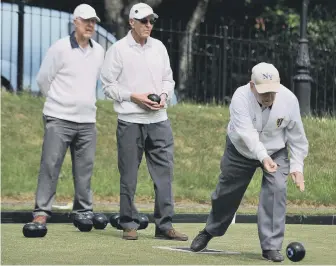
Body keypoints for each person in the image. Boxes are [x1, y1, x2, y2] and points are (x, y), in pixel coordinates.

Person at [190, 62, 309, 262]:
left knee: (277, 188)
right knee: (226, 194)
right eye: (263, 91)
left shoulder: (289, 100)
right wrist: (263, 157)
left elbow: (297, 137)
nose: (269, 97)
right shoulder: (240, 97)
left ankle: (271, 246)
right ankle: (210, 230)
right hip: (241, 150)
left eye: (272, 92)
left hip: (276, 150)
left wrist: (297, 167)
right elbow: (248, 134)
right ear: (251, 85)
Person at [100, 2, 188, 241]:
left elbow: (168, 80)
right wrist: (133, 97)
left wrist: (164, 96)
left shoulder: (159, 47)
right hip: (129, 121)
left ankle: (164, 225)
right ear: (132, 22)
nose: (149, 25)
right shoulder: (117, 50)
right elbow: (108, 86)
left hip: (160, 120)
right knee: (129, 175)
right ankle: (128, 223)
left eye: (151, 21)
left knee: (164, 175)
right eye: (144, 21)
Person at [30, 4, 105, 225]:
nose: (90, 25)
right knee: (50, 165)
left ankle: (83, 211)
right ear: (76, 22)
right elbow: (43, 79)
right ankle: (42, 211)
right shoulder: (60, 48)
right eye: (86, 21)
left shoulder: (99, 51)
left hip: (87, 120)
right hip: (59, 118)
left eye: (93, 21)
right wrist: (57, 102)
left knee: (85, 170)